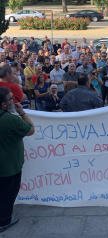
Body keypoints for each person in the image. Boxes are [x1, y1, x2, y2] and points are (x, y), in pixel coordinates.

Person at [0, 87, 35, 233]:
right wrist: (22, 112)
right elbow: (31, 129)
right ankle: (4, 221)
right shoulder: (10, 119)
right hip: (9, 165)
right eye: (10, 99)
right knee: (8, 193)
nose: (13, 102)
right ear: (3, 104)